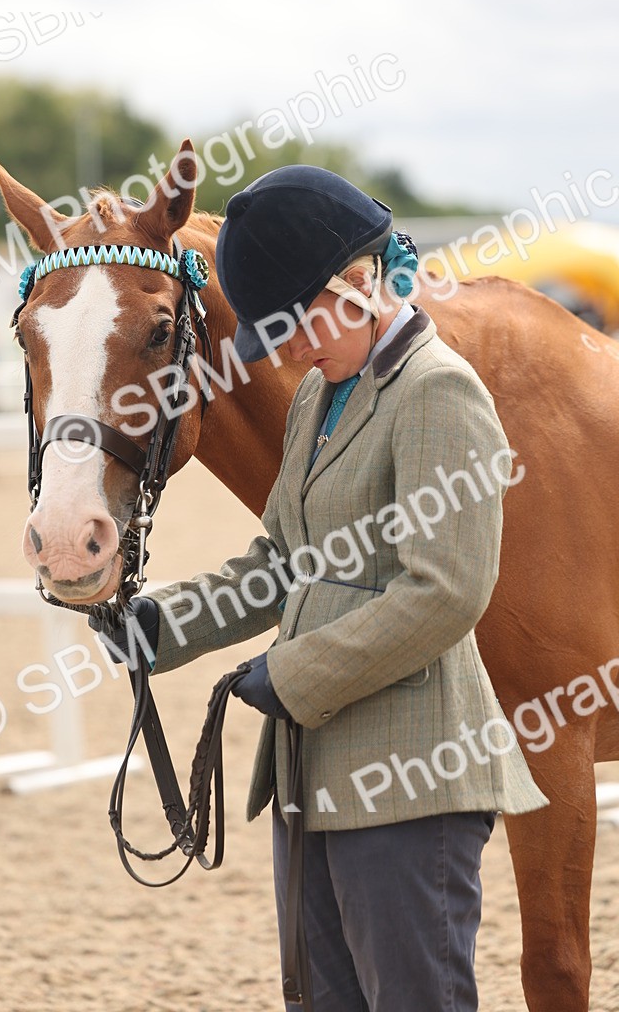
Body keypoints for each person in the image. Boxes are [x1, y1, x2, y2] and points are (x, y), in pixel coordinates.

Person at [92, 166, 549, 1012]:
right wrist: (168, 626)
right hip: (310, 772)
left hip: (413, 776)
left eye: (298, 325)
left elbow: (446, 591)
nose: (290, 353)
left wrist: (294, 677)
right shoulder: (319, 396)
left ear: (360, 283)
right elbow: (284, 560)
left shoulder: (439, 394)